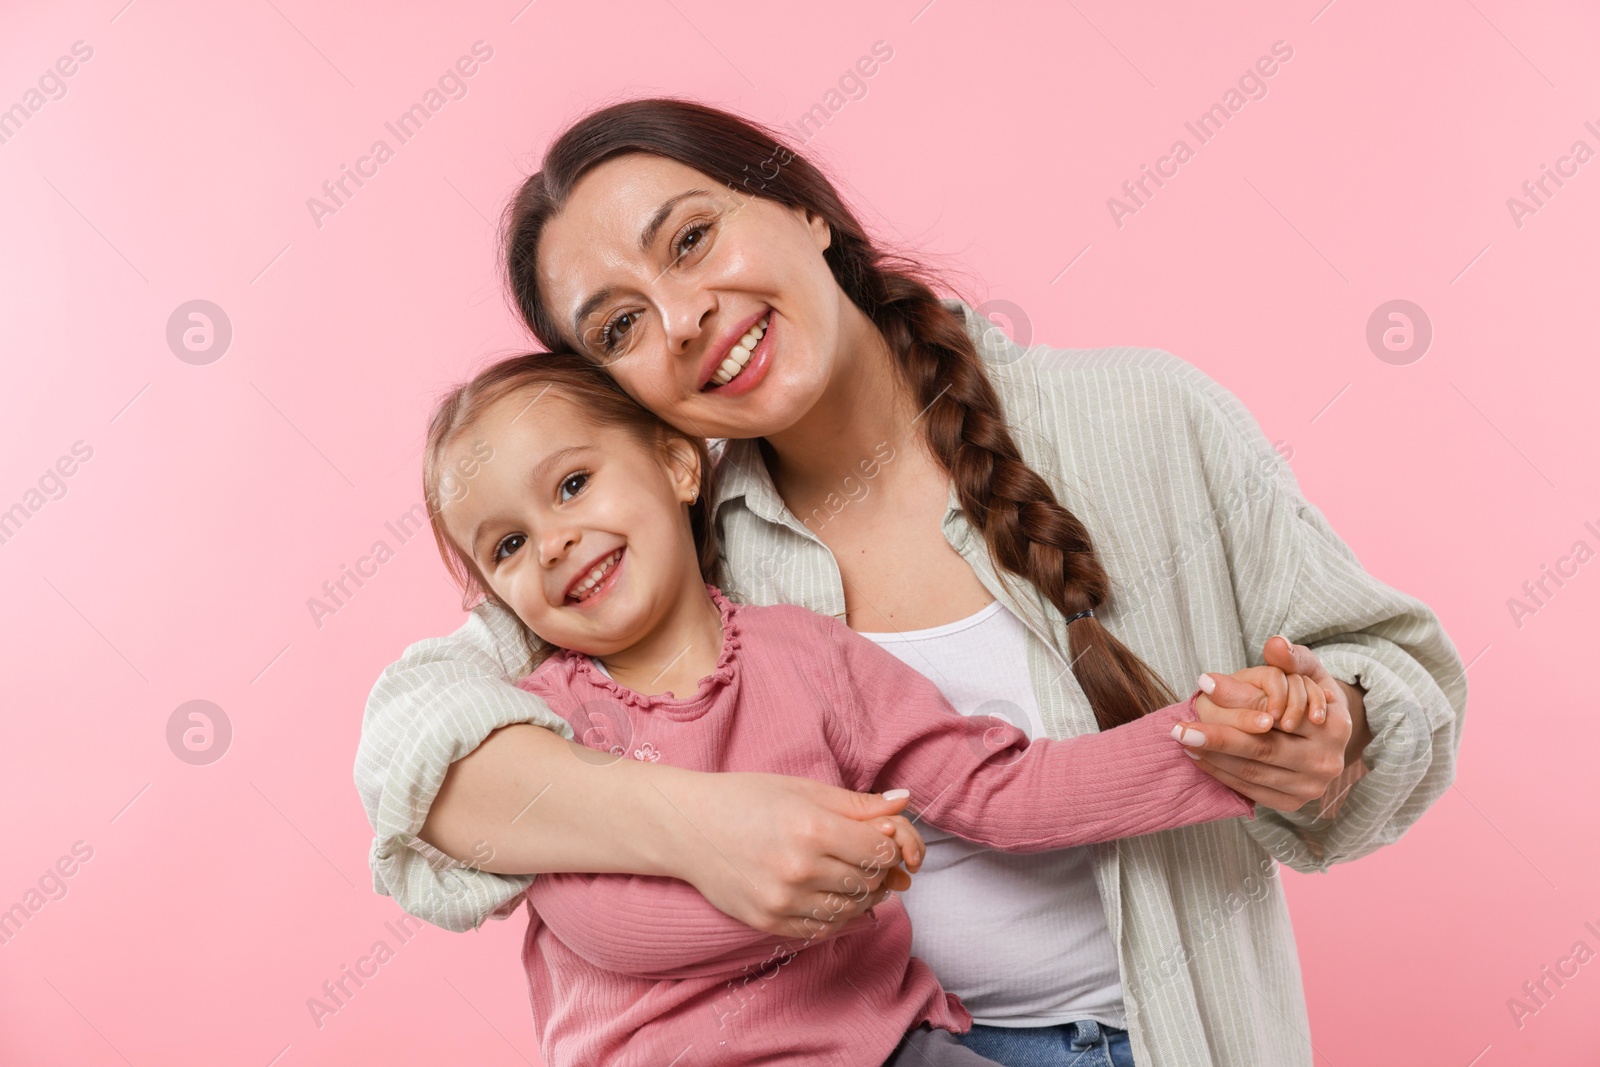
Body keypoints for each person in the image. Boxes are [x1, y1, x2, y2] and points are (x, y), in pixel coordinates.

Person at [354, 98, 1467, 1066]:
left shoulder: (1145, 419)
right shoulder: (644, 565)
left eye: (692, 239)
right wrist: (696, 827)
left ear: (801, 209)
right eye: (621, 325)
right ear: (623, 398)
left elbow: (1392, 668)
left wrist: (1333, 724)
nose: (685, 317)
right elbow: (416, 744)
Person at [419, 350, 1271, 1066]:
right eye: (509, 544)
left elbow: (1000, 788)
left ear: (679, 464)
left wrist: (1212, 743)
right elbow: (610, 926)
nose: (554, 540)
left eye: (572, 483)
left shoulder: (809, 654)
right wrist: (832, 873)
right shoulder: (536, 727)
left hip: (887, 1046)